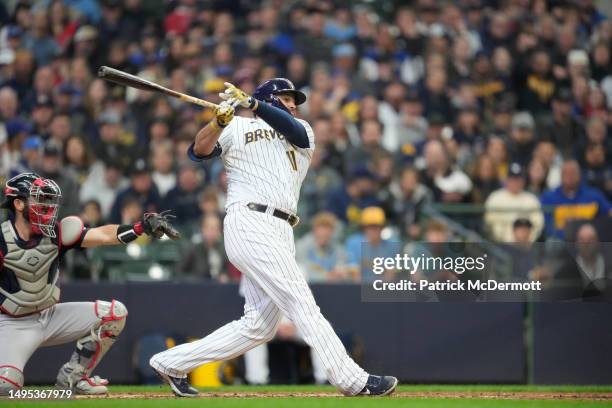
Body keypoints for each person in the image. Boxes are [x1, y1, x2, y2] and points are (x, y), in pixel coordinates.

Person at [149, 79, 397, 397]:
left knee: (259, 326)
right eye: (286, 98)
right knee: (301, 302)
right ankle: (352, 380)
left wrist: (253, 105)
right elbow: (198, 151)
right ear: (267, 98)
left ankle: (170, 363)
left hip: (281, 229)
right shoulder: (236, 126)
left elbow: (288, 127)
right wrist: (218, 122)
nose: (294, 105)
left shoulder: (302, 129)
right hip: (250, 220)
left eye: (295, 100)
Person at [0, 172, 179, 395]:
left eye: (47, 199)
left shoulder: (56, 232)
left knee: (114, 314)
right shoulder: (2, 238)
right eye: (39, 199)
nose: (46, 206)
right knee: (6, 388)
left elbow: (103, 235)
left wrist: (139, 228)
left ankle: (73, 378)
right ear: (18, 203)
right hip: (12, 324)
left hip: (49, 315)